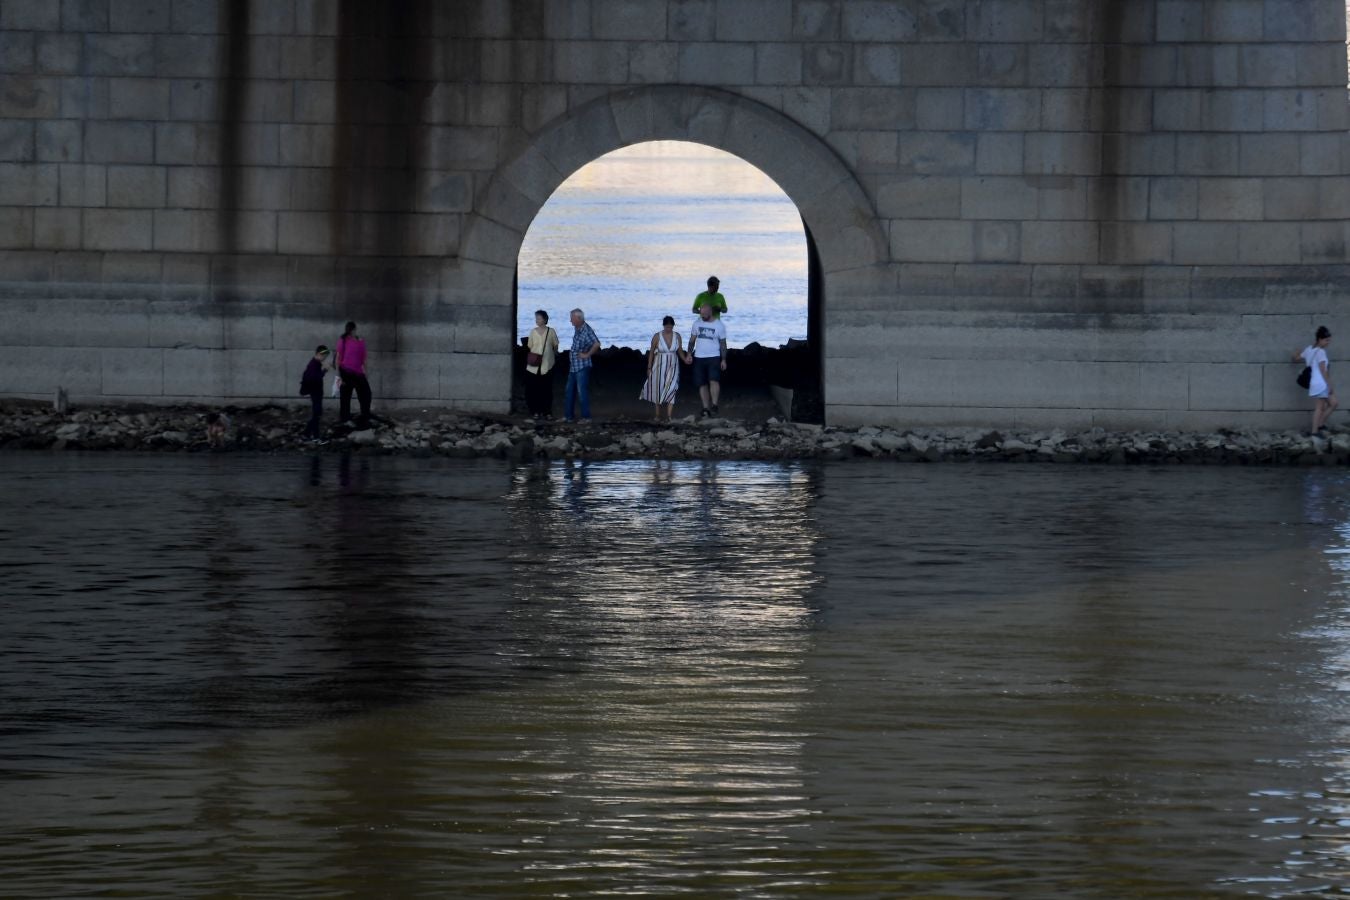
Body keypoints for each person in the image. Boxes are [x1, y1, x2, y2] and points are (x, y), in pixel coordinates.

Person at [683, 301, 727, 418]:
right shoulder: (697, 323)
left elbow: (723, 344)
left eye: (704, 315)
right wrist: (689, 354)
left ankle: (714, 404)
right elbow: (692, 340)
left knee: (714, 380)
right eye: (701, 314)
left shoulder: (719, 325)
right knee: (701, 383)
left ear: (710, 312)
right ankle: (705, 408)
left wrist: (723, 359)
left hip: (714, 356)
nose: (702, 317)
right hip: (699, 357)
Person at [1294, 325, 1337, 434]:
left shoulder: (1309, 349)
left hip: (1316, 383)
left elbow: (1296, 358)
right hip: (1321, 384)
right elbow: (1323, 370)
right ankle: (1315, 432)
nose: (1328, 343)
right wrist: (1329, 385)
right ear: (1319, 339)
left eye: (1329, 340)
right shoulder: (1321, 352)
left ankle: (1320, 424)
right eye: (1326, 340)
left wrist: (1297, 352)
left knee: (1334, 403)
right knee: (1319, 408)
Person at [640, 315, 682, 423]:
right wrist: (649, 367)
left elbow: (680, 350)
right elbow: (651, 352)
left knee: (672, 388)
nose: (669, 329)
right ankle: (658, 415)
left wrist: (686, 359)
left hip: (673, 365)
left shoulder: (677, 336)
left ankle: (669, 416)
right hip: (659, 365)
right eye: (667, 327)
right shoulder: (657, 336)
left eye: (671, 327)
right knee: (658, 389)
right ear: (663, 326)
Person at [564, 308, 600, 423]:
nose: (570, 320)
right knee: (569, 391)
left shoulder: (586, 330)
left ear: (578, 318)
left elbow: (596, 343)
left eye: (572, 318)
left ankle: (586, 417)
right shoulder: (578, 328)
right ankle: (568, 416)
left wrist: (587, 354)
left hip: (582, 366)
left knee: (581, 392)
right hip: (574, 366)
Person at [335, 320, 372, 428]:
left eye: (353, 330)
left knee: (366, 394)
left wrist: (366, 372)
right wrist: (338, 375)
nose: (352, 332)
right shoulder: (343, 340)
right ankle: (345, 418)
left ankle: (364, 416)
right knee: (345, 396)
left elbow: (364, 359)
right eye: (351, 330)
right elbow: (338, 357)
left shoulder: (361, 341)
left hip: (358, 373)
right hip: (345, 372)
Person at [524, 310, 560, 420]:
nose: (537, 320)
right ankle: (535, 411)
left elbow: (555, 345)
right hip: (534, 365)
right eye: (536, 318)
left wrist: (552, 355)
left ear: (545, 319)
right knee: (534, 389)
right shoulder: (533, 332)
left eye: (539, 318)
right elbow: (530, 346)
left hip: (548, 365)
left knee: (547, 389)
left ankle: (547, 412)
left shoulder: (551, 331)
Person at [299, 345, 330, 443]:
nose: (324, 358)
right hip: (315, 393)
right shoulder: (313, 365)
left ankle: (308, 435)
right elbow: (315, 378)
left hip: (316, 392)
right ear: (318, 354)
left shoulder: (315, 363)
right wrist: (324, 370)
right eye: (323, 356)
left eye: (325, 356)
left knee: (317, 414)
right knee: (317, 414)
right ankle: (313, 436)